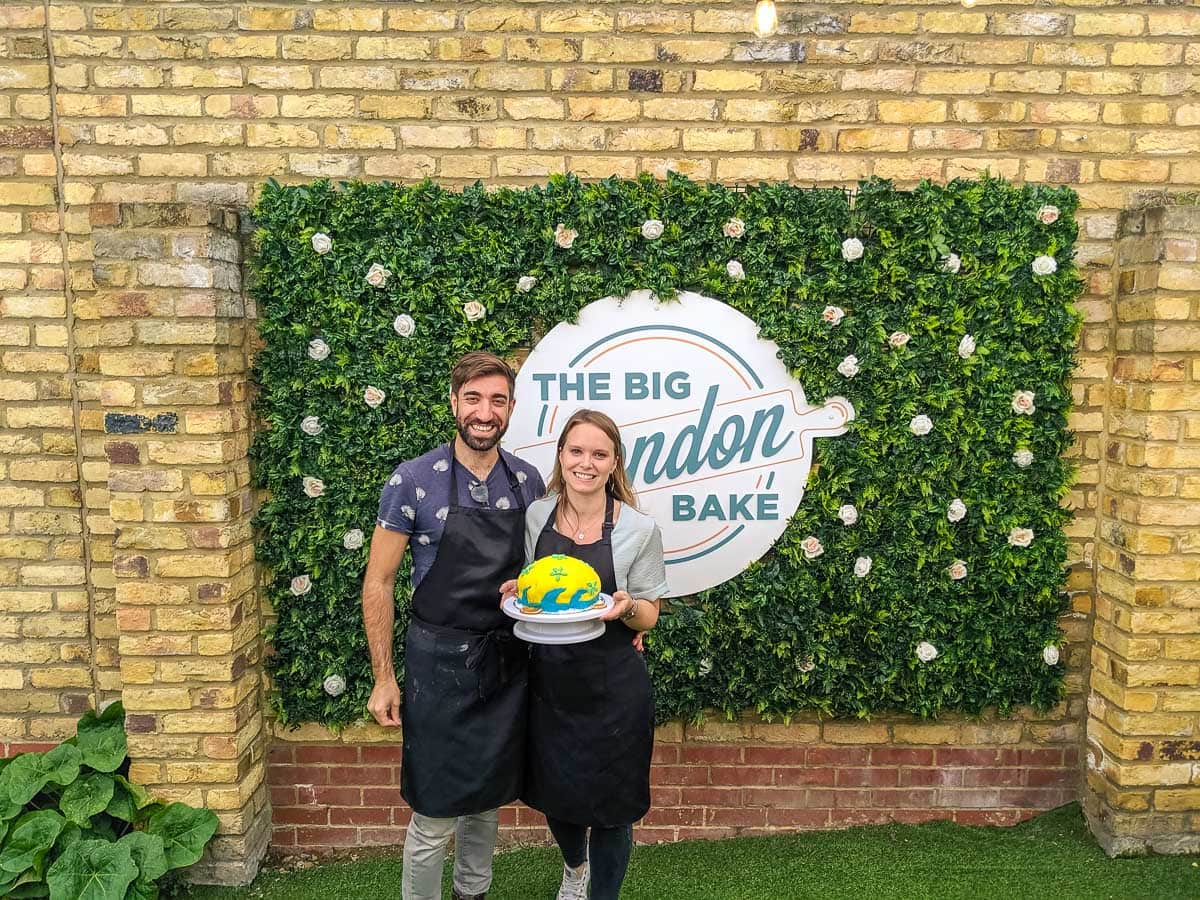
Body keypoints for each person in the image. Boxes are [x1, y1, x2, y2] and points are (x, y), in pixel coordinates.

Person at [363, 351, 545, 900]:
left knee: (487, 800)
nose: (484, 412)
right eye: (473, 398)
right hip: (436, 663)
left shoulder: (528, 482)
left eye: (497, 400)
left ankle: (474, 893)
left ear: (511, 408)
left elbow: (541, 577)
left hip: (504, 660)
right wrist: (383, 676)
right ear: (454, 403)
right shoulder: (413, 480)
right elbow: (379, 582)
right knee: (435, 809)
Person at [501, 409, 667, 900]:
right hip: (551, 684)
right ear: (561, 456)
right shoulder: (537, 516)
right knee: (559, 797)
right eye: (577, 451)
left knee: (614, 809)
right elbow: (541, 590)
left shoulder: (640, 528)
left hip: (614, 687)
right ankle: (576, 869)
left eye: (599, 454)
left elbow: (650, 614)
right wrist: (520, 588)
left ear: (614, 463)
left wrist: (628, 608)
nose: (586, 463)